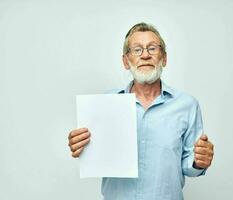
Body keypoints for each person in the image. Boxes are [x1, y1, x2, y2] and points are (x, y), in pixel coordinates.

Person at [68, 22, 214, 200]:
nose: (145, 55)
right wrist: (80, 146)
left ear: (164, 58)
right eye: (137, 50)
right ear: (125, 61)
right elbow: (92, 153)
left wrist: (199, 162)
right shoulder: (105, 104)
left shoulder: (187, 105)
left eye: (152, 48)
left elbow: (190, 165)